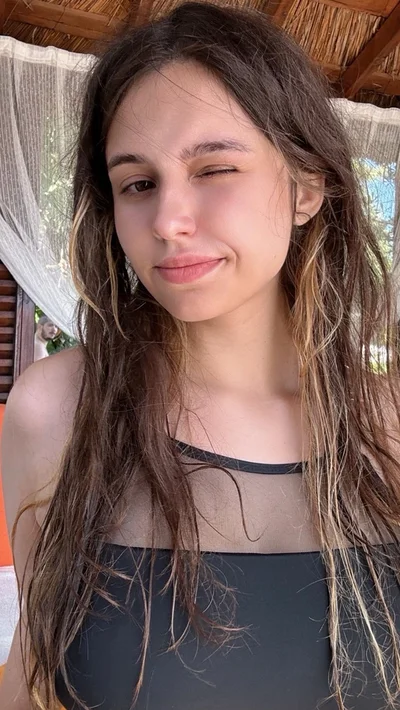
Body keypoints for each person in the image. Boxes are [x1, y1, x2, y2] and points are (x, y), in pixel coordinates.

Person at [1, 3, 400, 709]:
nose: (167, 221)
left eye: (215, 168)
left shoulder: (388, 425)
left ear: (307, 186)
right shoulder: (58, 410)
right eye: (138, 183)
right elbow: (32, 676)